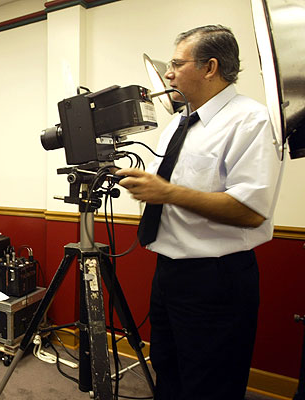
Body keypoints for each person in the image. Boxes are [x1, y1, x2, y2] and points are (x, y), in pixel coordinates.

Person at [116, 25, 282, 399]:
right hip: (169, 274)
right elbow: (174, 190)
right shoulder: (178, 121)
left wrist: (168, 192)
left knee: (211, 383)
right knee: (168, 368)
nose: (168, 73)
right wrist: (147, 186)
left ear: (210, 67)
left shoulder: (251, 120)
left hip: (217, 280)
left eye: (176, 63)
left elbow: (251, 210)